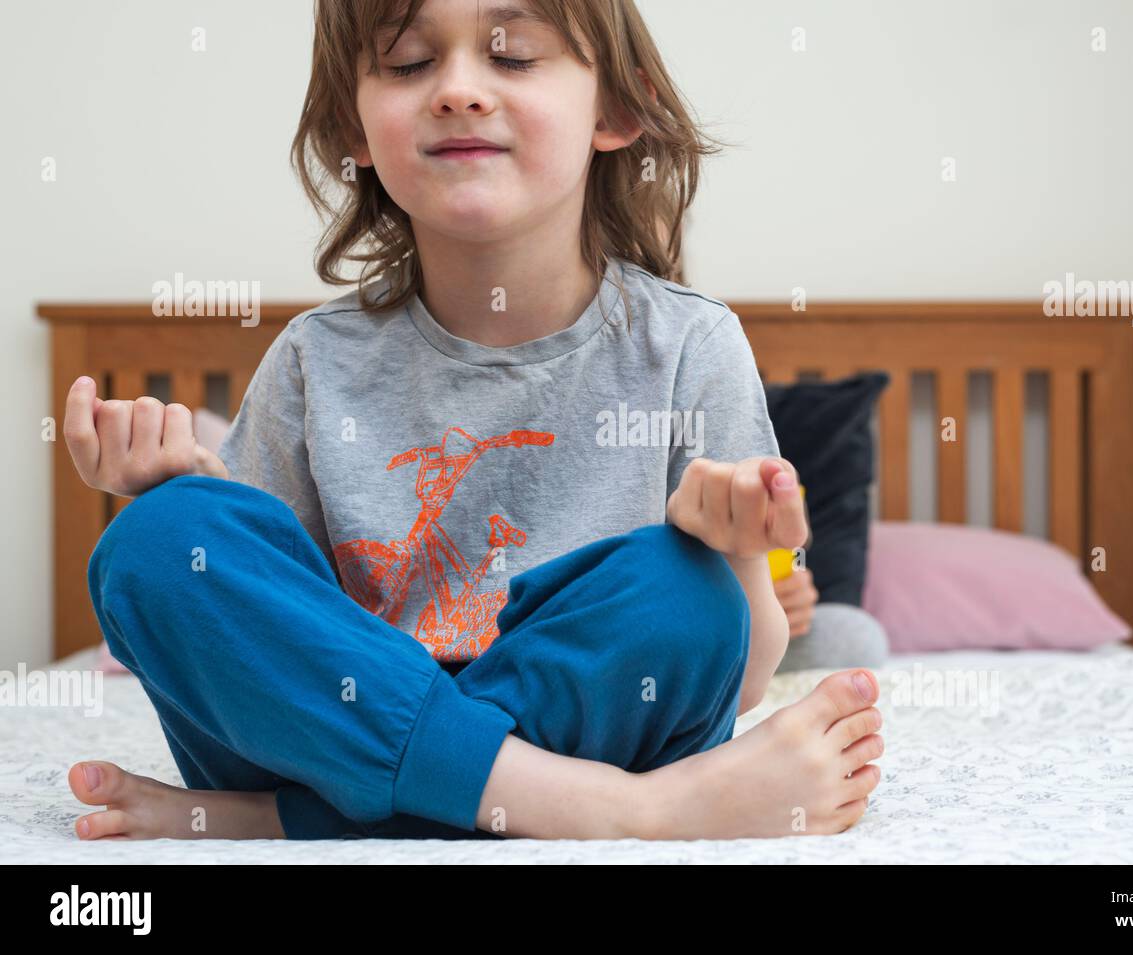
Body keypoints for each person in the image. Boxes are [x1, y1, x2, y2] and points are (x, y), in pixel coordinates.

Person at [62, 0, 883, 841]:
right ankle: (632, 812)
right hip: (342, 733)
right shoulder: (313, 359)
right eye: (410, 63)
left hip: (508, 742)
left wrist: (738, 551)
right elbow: (262, 618)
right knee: (157, 540)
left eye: (515, 57)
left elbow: (740, 674)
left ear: (617, 110)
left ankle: (278, 821)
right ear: (354, 126)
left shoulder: (690, 345)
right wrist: (184, 495)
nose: (457, 90)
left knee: (688, 588)